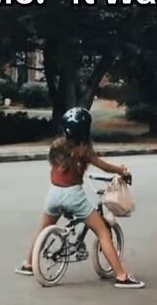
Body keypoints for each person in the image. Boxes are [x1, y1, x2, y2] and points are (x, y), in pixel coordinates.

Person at [16, 107, 145, 288]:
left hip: (53, 193)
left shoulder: (57, 147)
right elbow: (105, 167)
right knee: (102, 232)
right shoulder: (84, 150)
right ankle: (122, 276)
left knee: (43, 227)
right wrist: (122, 170)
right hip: (73, 195)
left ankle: (28, 263)